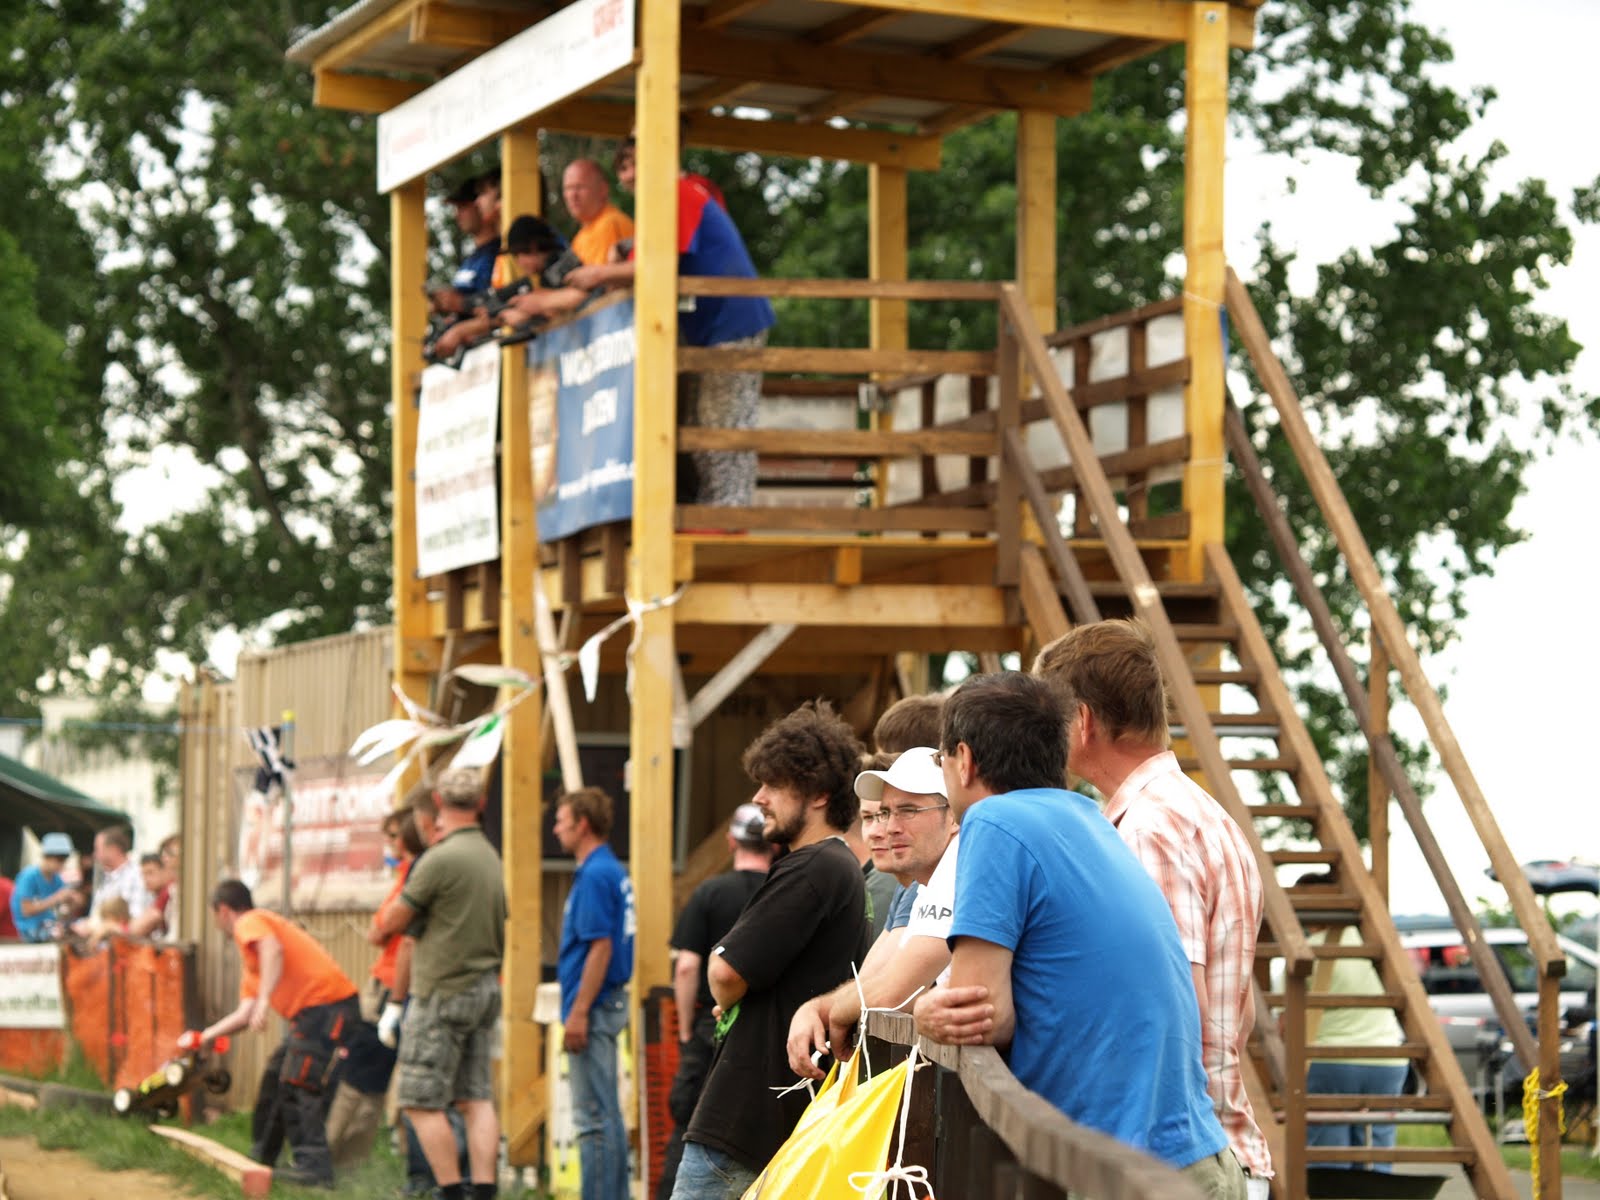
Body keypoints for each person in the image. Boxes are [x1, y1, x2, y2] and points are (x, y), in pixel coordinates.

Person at [913, 673, 1240, 1197]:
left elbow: (978, 1012)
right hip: (1196, 1157)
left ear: (965, 760)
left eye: (940, 758)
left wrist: (925, 1011)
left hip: (1127, 1174)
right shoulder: (1089, 818)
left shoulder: (994, 820)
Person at [1034, 619, 1271, 1195]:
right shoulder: (1203, 815)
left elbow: (1170, 1006)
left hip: (1170, 1161)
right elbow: (1235, 1017)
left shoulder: (1146, 830)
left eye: (1048, 719)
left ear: (1083, 721)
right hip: (1210, 1149)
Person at [671, 701, 871, 1200]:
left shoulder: (813, 868)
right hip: (775, 1119)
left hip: (744, 1121)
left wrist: (727, 985)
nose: (759, 797)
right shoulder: (839, 867)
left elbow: (725, 973)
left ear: (819, 794)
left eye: (774, 785)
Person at [529, 178, 776, 507]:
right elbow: (636, 263)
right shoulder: (654, 206)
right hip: (704, 332)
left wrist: (599, 274)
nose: (630, 173)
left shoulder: (677, 190)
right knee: (701, 427)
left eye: (634, 162)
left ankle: (730, 515)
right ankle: (716, 512)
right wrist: (617, 257)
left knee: (723, 424)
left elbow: (657, 264)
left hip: (733, 324)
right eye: (623, 166)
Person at [786, 746, 958, 1080]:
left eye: (908, 810)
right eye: (883, 813)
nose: (889, 827)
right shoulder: (927, 880)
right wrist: (820, 1008)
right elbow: (876, 981)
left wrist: (835, 1013)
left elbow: (894, 994)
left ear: (953, 816)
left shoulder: (957, 866)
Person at [377, 768, 506, 1200]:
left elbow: (392, 923)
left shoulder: (439, 859)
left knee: (418, 1100)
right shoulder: (490, 856)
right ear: (481, 804)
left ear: (437, 803)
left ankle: (450, 1192)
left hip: (442, 991)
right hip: (484, 988)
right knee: (475, 1098)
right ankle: (484, 1192)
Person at [201, 879, 359, 1188]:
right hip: (312, 1015)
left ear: (223, 910)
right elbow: (245, 1015)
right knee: (275, 1079)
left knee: (298, 1082)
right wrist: (206, 1036)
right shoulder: (253, 957)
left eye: (215, 915)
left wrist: (264, 1000)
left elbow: (273, 949)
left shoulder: (251, 921)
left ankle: (313, 1169)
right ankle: (261, 1160)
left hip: (328, 1008)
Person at [657, 803, 773, 1200]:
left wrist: (686, 1030)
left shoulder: (709, 893)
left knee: (690, 1128)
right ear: (772, 844)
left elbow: (687, 967)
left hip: (712, 1029)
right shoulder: (781, 893)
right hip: (767, 1038)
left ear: (730, 842)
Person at [552, 786, 636, 1200]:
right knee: (606, 1114)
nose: (556, 829)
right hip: (606, 1001)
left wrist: (579, 1011)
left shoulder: (595, 874)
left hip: (596, 1005)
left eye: (561, 821)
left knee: (593, 1119)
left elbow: (600, 947)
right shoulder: (609, 869)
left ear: (582, 825)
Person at [1295, 874, 1408, 1168]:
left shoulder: (1306, 951)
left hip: (1330, 1060)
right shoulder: (1379, 946)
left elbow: (1288, 1023)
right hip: (1388, 1058)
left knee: (1329, 1157)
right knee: (1377, 1151)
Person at [73, 826, 147, 936]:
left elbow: (134, 917)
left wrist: (96, 926)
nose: (94, 854)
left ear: (113, 849)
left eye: (97, 849)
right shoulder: (107, 879)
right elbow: (95, 916)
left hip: (124, 942)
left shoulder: (136, 876)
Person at [563, 158, 634, 267]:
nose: (573, 195)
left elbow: (599, 277)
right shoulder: (580, 237)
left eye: (579, 187)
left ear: (603, 189)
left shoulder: (611, 223)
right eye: (568, 188)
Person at [11, 832, 73, 942]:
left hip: (49, 925)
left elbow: (63, 909)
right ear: (47, 856)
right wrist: (56, 898)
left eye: (64, 860)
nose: (62, 864)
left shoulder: (56, 879)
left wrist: (72, 900)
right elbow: (26, 910)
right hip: (27, 930)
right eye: (59, 860)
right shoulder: (29, 876)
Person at [127, 852, 174, 939]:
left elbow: (137, 929)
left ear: (165, 871)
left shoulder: (168, 891)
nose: (146, 879)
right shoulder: (156, 895)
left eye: (150, 873)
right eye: (143, 874)